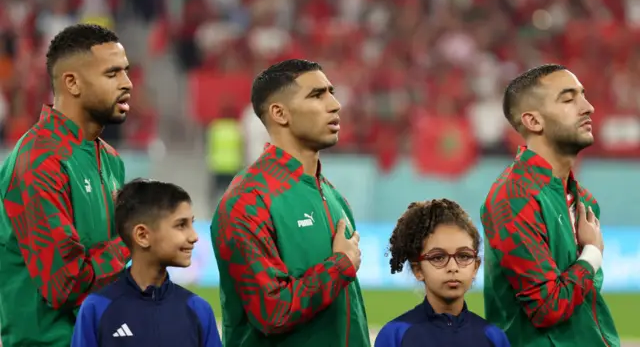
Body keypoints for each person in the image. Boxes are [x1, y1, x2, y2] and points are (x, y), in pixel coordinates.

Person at [211, 59, 370, 347]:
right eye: (317, 95)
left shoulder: (333, 196)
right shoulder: (248, 200)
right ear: (279, 113)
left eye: (331, 92)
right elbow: (272, 312)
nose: (335, 105)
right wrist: (340, 266)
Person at [0, 23, 133, 346]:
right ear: (72, 82)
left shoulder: (111, 159)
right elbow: (64, 284)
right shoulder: (39, 162)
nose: (127, 83)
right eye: (112, 73)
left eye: (126, 72)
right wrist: (136, 239)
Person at [481, 64, 620, 347]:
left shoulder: (585, 201)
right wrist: (592, 253)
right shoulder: (513, 196)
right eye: (569, 99)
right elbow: (547, 308)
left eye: (583, 96)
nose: (589, 107)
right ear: (533, 121)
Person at [71, 178, 222, 347]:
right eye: (181, 225)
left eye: (192, 224)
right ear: (142, 236)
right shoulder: (96, 309)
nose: (194, 236)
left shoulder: (199, 310)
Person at [375, 199, 510, 347]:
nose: (453, 267)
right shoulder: (395, 335)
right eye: (438, 257)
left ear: (475, 267)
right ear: (418, 270)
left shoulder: (494, 337)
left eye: (463, 256)